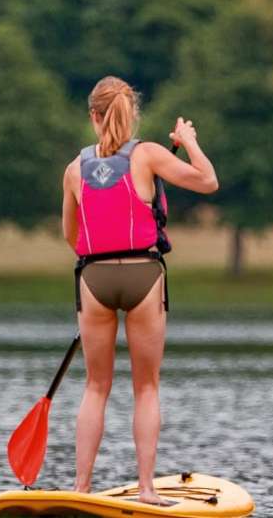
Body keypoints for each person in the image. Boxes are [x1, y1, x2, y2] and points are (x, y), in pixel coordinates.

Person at [61, 76, 218, 506]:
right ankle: (147, 489)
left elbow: (72, 236)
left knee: (96, 387)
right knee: (145, 388)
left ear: (93, 116)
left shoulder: (75, 169)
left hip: (93, 280)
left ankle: (81, 489)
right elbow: (208, 182)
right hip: (144, 276)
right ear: (132, 115)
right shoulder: (148, 155)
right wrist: (187, 141)